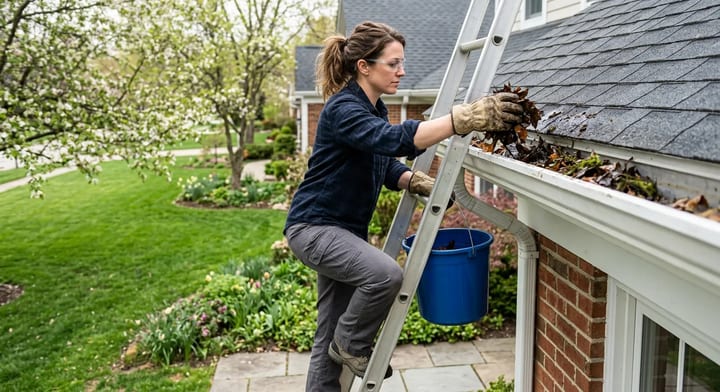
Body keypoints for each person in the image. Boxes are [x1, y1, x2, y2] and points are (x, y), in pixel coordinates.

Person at [283, 21, 522, 391]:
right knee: (385, 275)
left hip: (341, 230)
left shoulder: (373, 109)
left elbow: (380, 159)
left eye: (401, 63)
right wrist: (462, 119)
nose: (402, 71)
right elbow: (391, 140)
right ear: (364, 66)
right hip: (315, 227)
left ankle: (339, 349)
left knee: (326, 335)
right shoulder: (343, 109)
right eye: (393, 64)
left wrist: (410, 179)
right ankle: (351, 344)